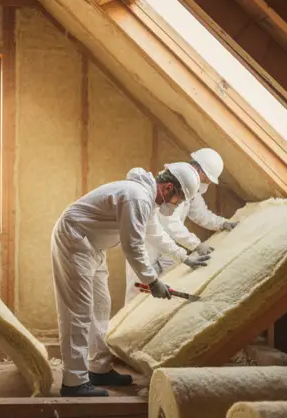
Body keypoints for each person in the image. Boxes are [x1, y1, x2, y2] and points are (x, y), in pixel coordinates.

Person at [51, 163, 210, 397]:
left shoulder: (146, 199)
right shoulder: (137, 198)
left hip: (91, 245)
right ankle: (74, 382)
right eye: (178, 199)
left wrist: (184, 257)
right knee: (79, 312)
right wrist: (153, 282)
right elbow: (133, 246)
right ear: (167, 188)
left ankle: (99, 368)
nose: (176, 205)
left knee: (101, 307)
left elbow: (154, 234)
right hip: (74, 242)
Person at [123, 148, 239, 304]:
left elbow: (199, 213)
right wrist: (196, 245)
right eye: (209, 177)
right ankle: (127, 326)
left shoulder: (192, 188)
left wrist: (222, 223)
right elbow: (170, 223)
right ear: (199, 169)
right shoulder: (174, 185)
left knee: (158, 293)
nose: (209, 182)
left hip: (166, 244)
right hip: (147, 245)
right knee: (137, 289)